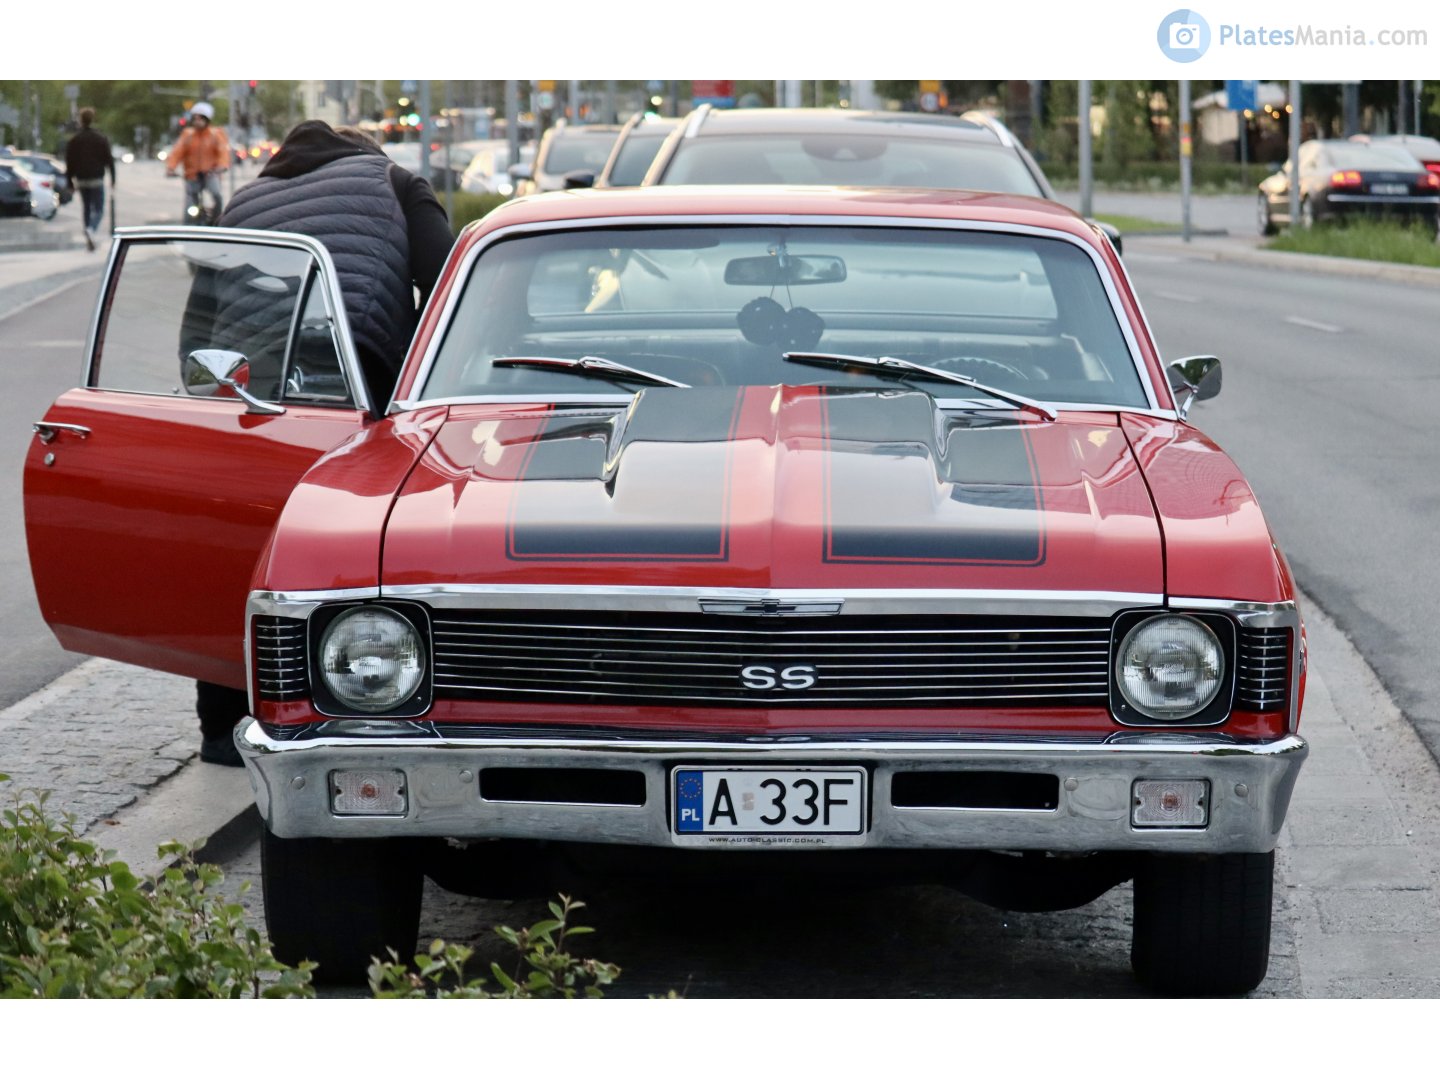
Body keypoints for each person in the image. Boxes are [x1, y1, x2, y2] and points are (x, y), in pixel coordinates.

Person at [192, 119, 452, 766]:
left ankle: (221, 727)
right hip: (354, 381)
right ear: (365, 151)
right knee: (363, 547)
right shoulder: (393, 181)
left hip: (250, 389)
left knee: (241, 549)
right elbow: (452, 286)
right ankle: (362, 697)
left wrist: (210, 394)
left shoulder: (245, 199)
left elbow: (197, 319)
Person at [165, 102, 230, 222]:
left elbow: (223, 152)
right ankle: (188, 226)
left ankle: (218, 221)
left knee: (217, 195)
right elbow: (177, 152)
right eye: (195, 118)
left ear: (207, 120)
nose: (197, 121)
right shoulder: (187, 135)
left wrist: (221, 166)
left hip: (211, 174)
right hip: (192, 175)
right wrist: (170, 168)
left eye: (200, 118)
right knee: (190, 201)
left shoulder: (216, 134)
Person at [63, 107, 115, 252]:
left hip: (81, 179)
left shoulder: (74, 140)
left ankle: (88, 233)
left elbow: (69, 162)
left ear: (81, 120)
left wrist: (69, 181)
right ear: (92, 119)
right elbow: (109, 160)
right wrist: (113, 179)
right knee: (98, 209)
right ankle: (91, 229)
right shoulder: (100, 138)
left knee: (86, 208)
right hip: (96, 178)